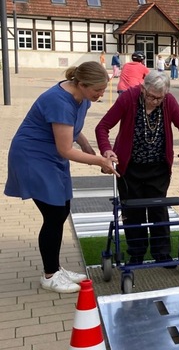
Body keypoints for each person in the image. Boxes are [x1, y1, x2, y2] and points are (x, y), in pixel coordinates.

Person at [5, 61, 117, 293]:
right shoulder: (59, 101)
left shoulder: (82, 97)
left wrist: (89, 149)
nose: (101, 94)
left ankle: (55, 268)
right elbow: (65, 149)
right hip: (33, 157)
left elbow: (73, 128)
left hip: (51, 156)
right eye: (97, 90)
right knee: (54, 214)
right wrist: (98, 161)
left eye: (103, 89)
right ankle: (50, 275)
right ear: (82, 84)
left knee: (61, 209)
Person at [96, 71, 179, 267]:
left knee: (158, 210)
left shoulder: (169, 101)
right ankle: (136, 253)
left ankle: (162, 254)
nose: (155, 101)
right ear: (143, 89)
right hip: (129, 168)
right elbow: (102, 127)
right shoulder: (128, 98)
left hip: (158, 168)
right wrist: (107, 150)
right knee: (133, 212)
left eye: (159, 98)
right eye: (151, 96)